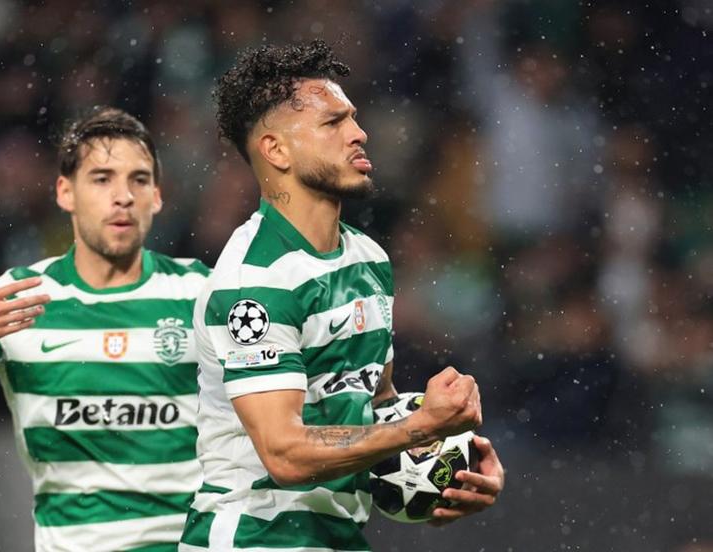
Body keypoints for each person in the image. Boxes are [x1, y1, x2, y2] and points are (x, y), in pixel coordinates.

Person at [179, 40, 504, 551]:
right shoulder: (254, 283)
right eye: (333, 123)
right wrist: (421, 428)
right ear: (276, 150)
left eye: (352, 118)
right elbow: (285, 454)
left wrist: (447, 465)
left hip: (337, 536)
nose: (359, 133)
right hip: (255, 536)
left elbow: (372, 406)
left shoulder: (368, 260)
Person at [0, 107, 210, 552]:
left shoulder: (202, 291)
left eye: (139, 180)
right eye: (102, 179)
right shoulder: (21, 295)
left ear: (158, 196)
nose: (122, 196)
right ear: (65, 192)